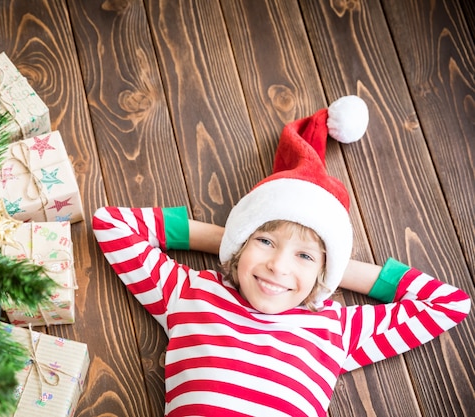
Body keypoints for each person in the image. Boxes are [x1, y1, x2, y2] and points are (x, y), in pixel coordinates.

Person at [92, 96, 471, 417]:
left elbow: (448, 304)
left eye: (304, 256)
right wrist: (232, 242)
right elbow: (110, 225)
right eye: (266, 243)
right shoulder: (189, 293)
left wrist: (331, 269)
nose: (278, 265)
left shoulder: (334, 330)